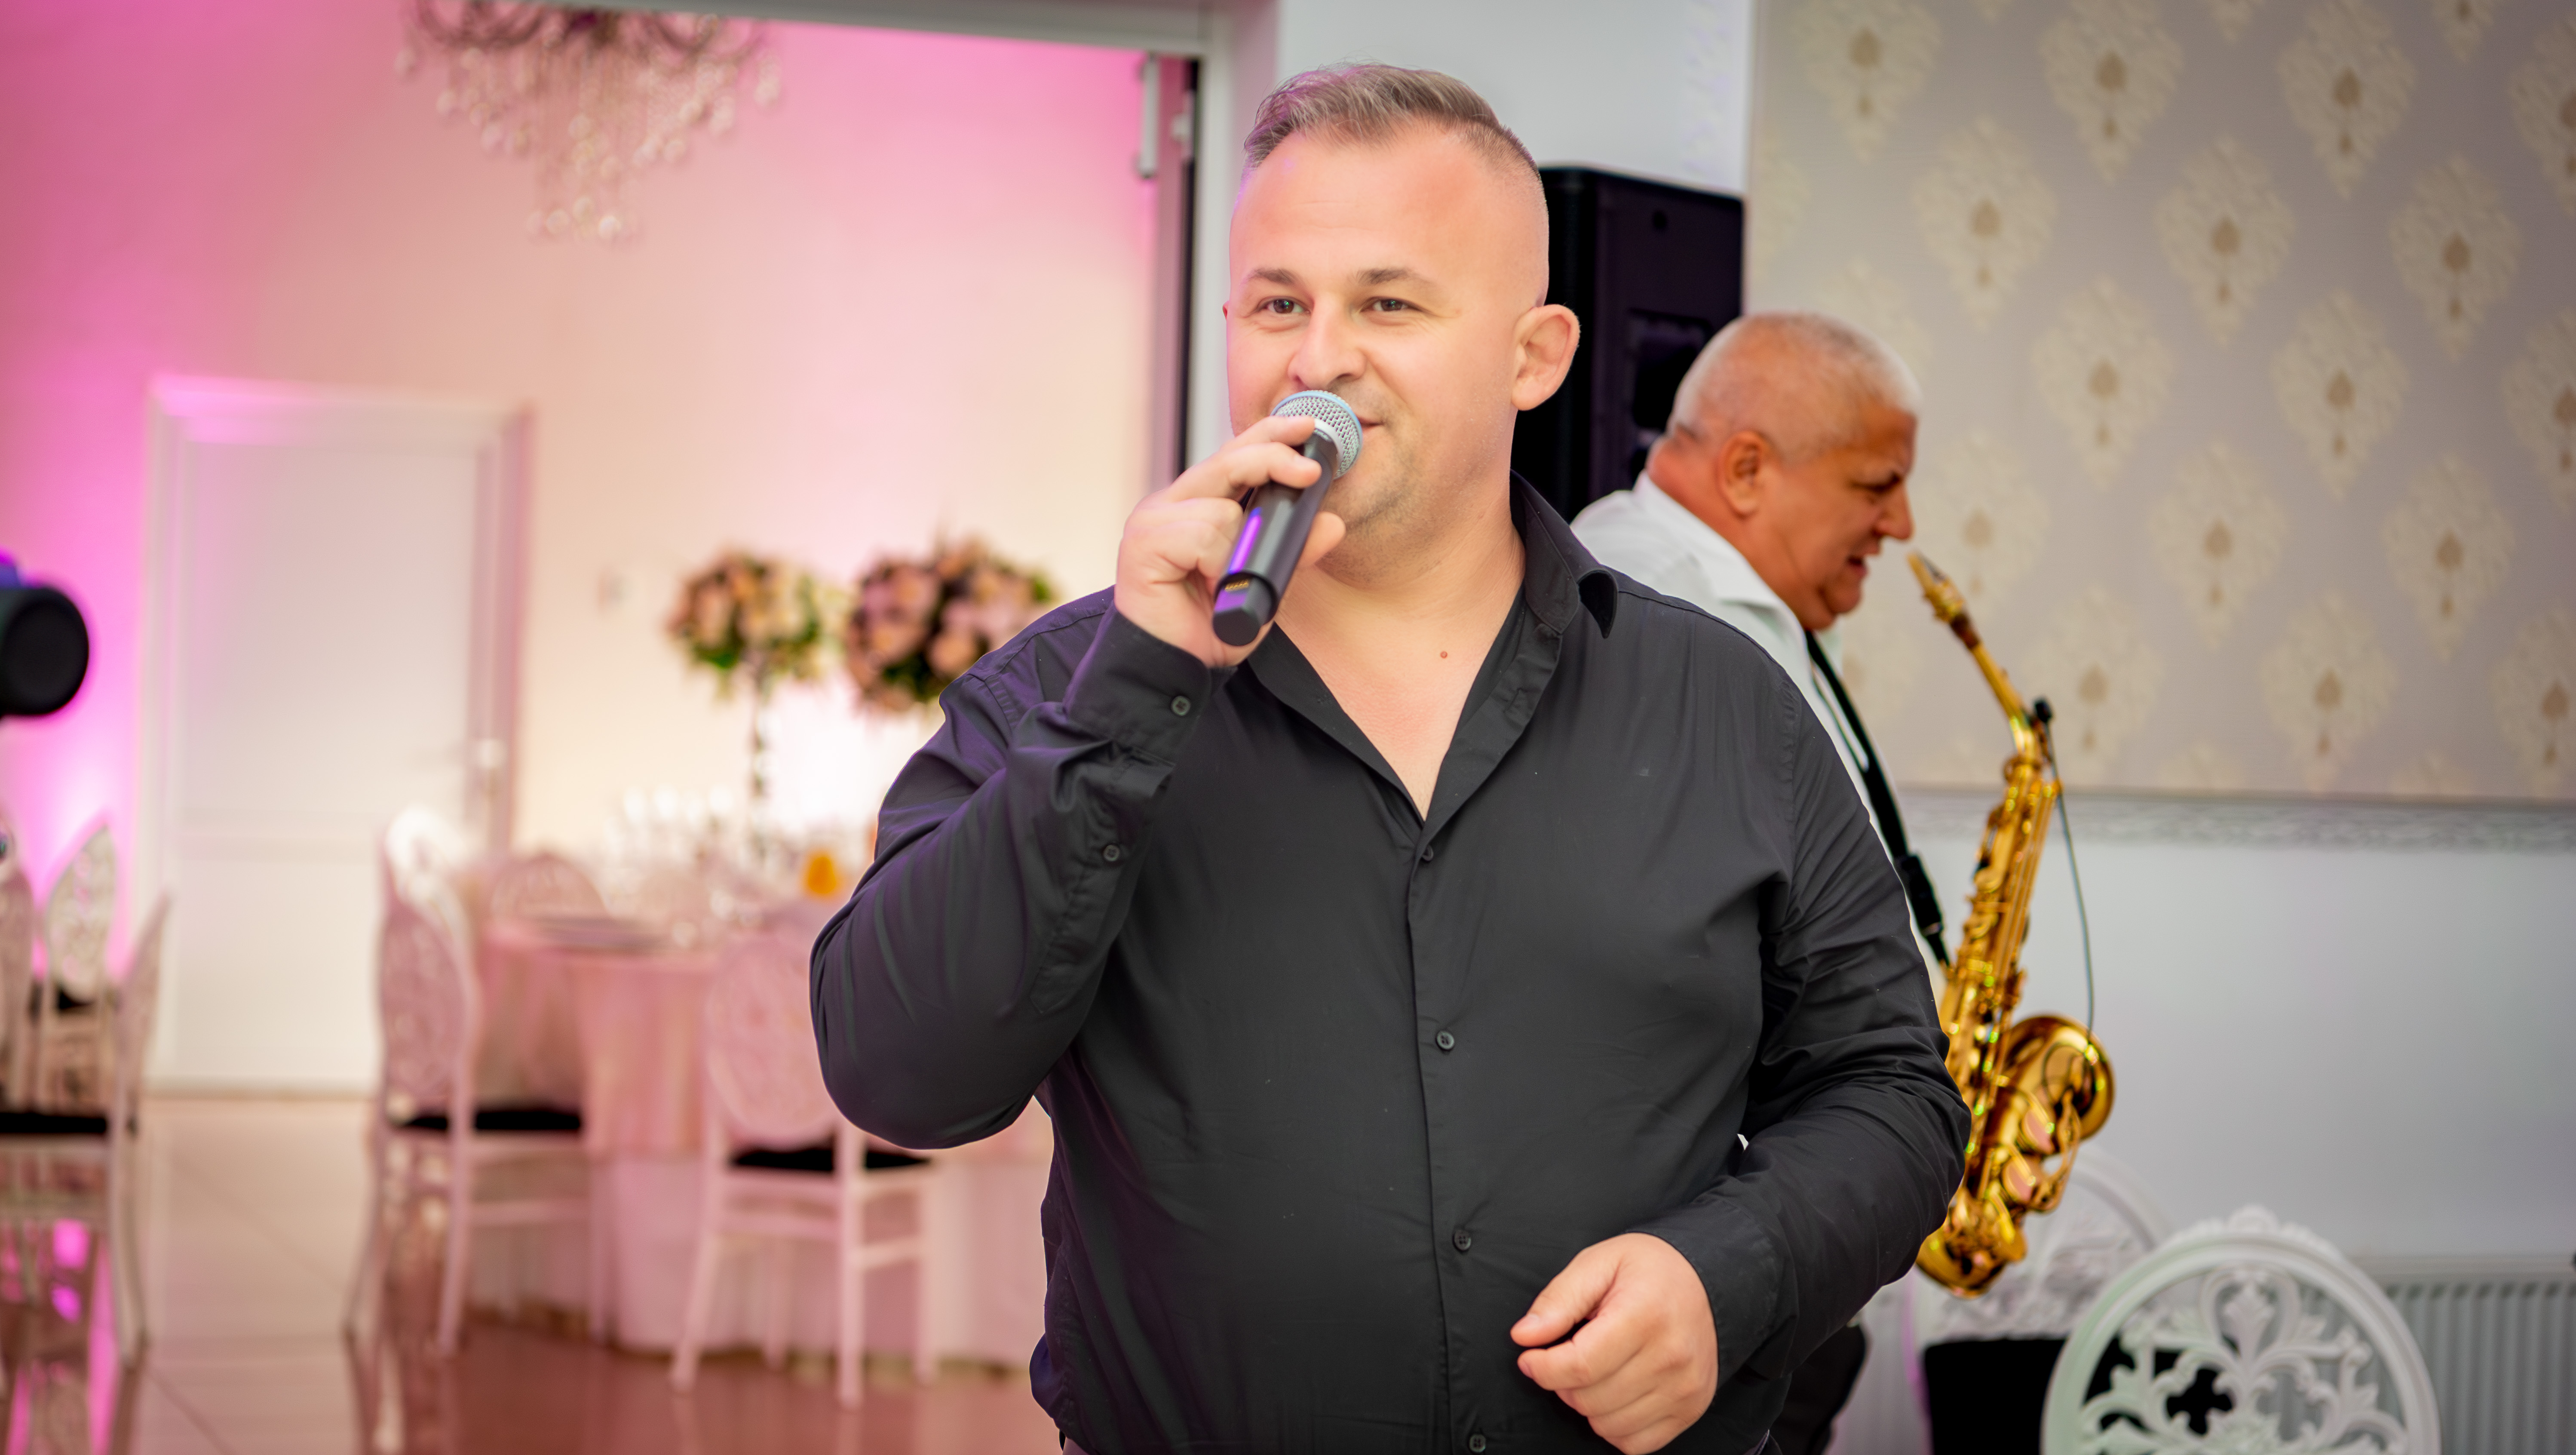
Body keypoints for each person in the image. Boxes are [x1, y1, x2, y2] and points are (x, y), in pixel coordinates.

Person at [811, 67, 1966, 1455]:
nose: (1321, 360)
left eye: (1390, 305)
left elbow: (1894, 1096)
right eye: (1278, 305)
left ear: (1534, 357)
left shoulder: (1728, 708)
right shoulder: (1060, 690)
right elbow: (898, 1076)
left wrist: (1731, 1275)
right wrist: (1131, 694)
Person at [1572, 313, 1947, 1455]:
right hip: (1693, 1264)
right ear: (1744, 470)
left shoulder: (1728, 604)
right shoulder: (1656, 607)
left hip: (1740, 1240)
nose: (1902, 523)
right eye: (1876, 485)